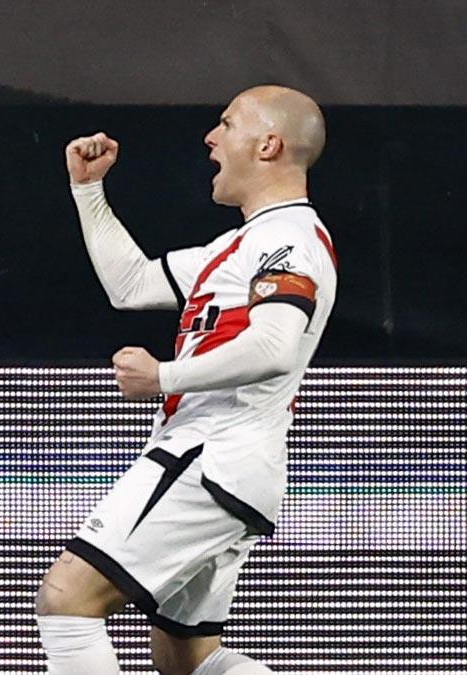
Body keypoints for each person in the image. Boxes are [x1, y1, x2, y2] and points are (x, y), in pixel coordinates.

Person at [36, 85, 337, 675]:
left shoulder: (290, 239)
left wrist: (163, 375)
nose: (211, 137)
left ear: (269, 144)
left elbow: (275, 344)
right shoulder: (242, 243)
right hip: (232, 467)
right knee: (186, 655)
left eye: (226, 124)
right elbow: (132, 286)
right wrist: (88, 190)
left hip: (212, 456)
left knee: (67, 599)